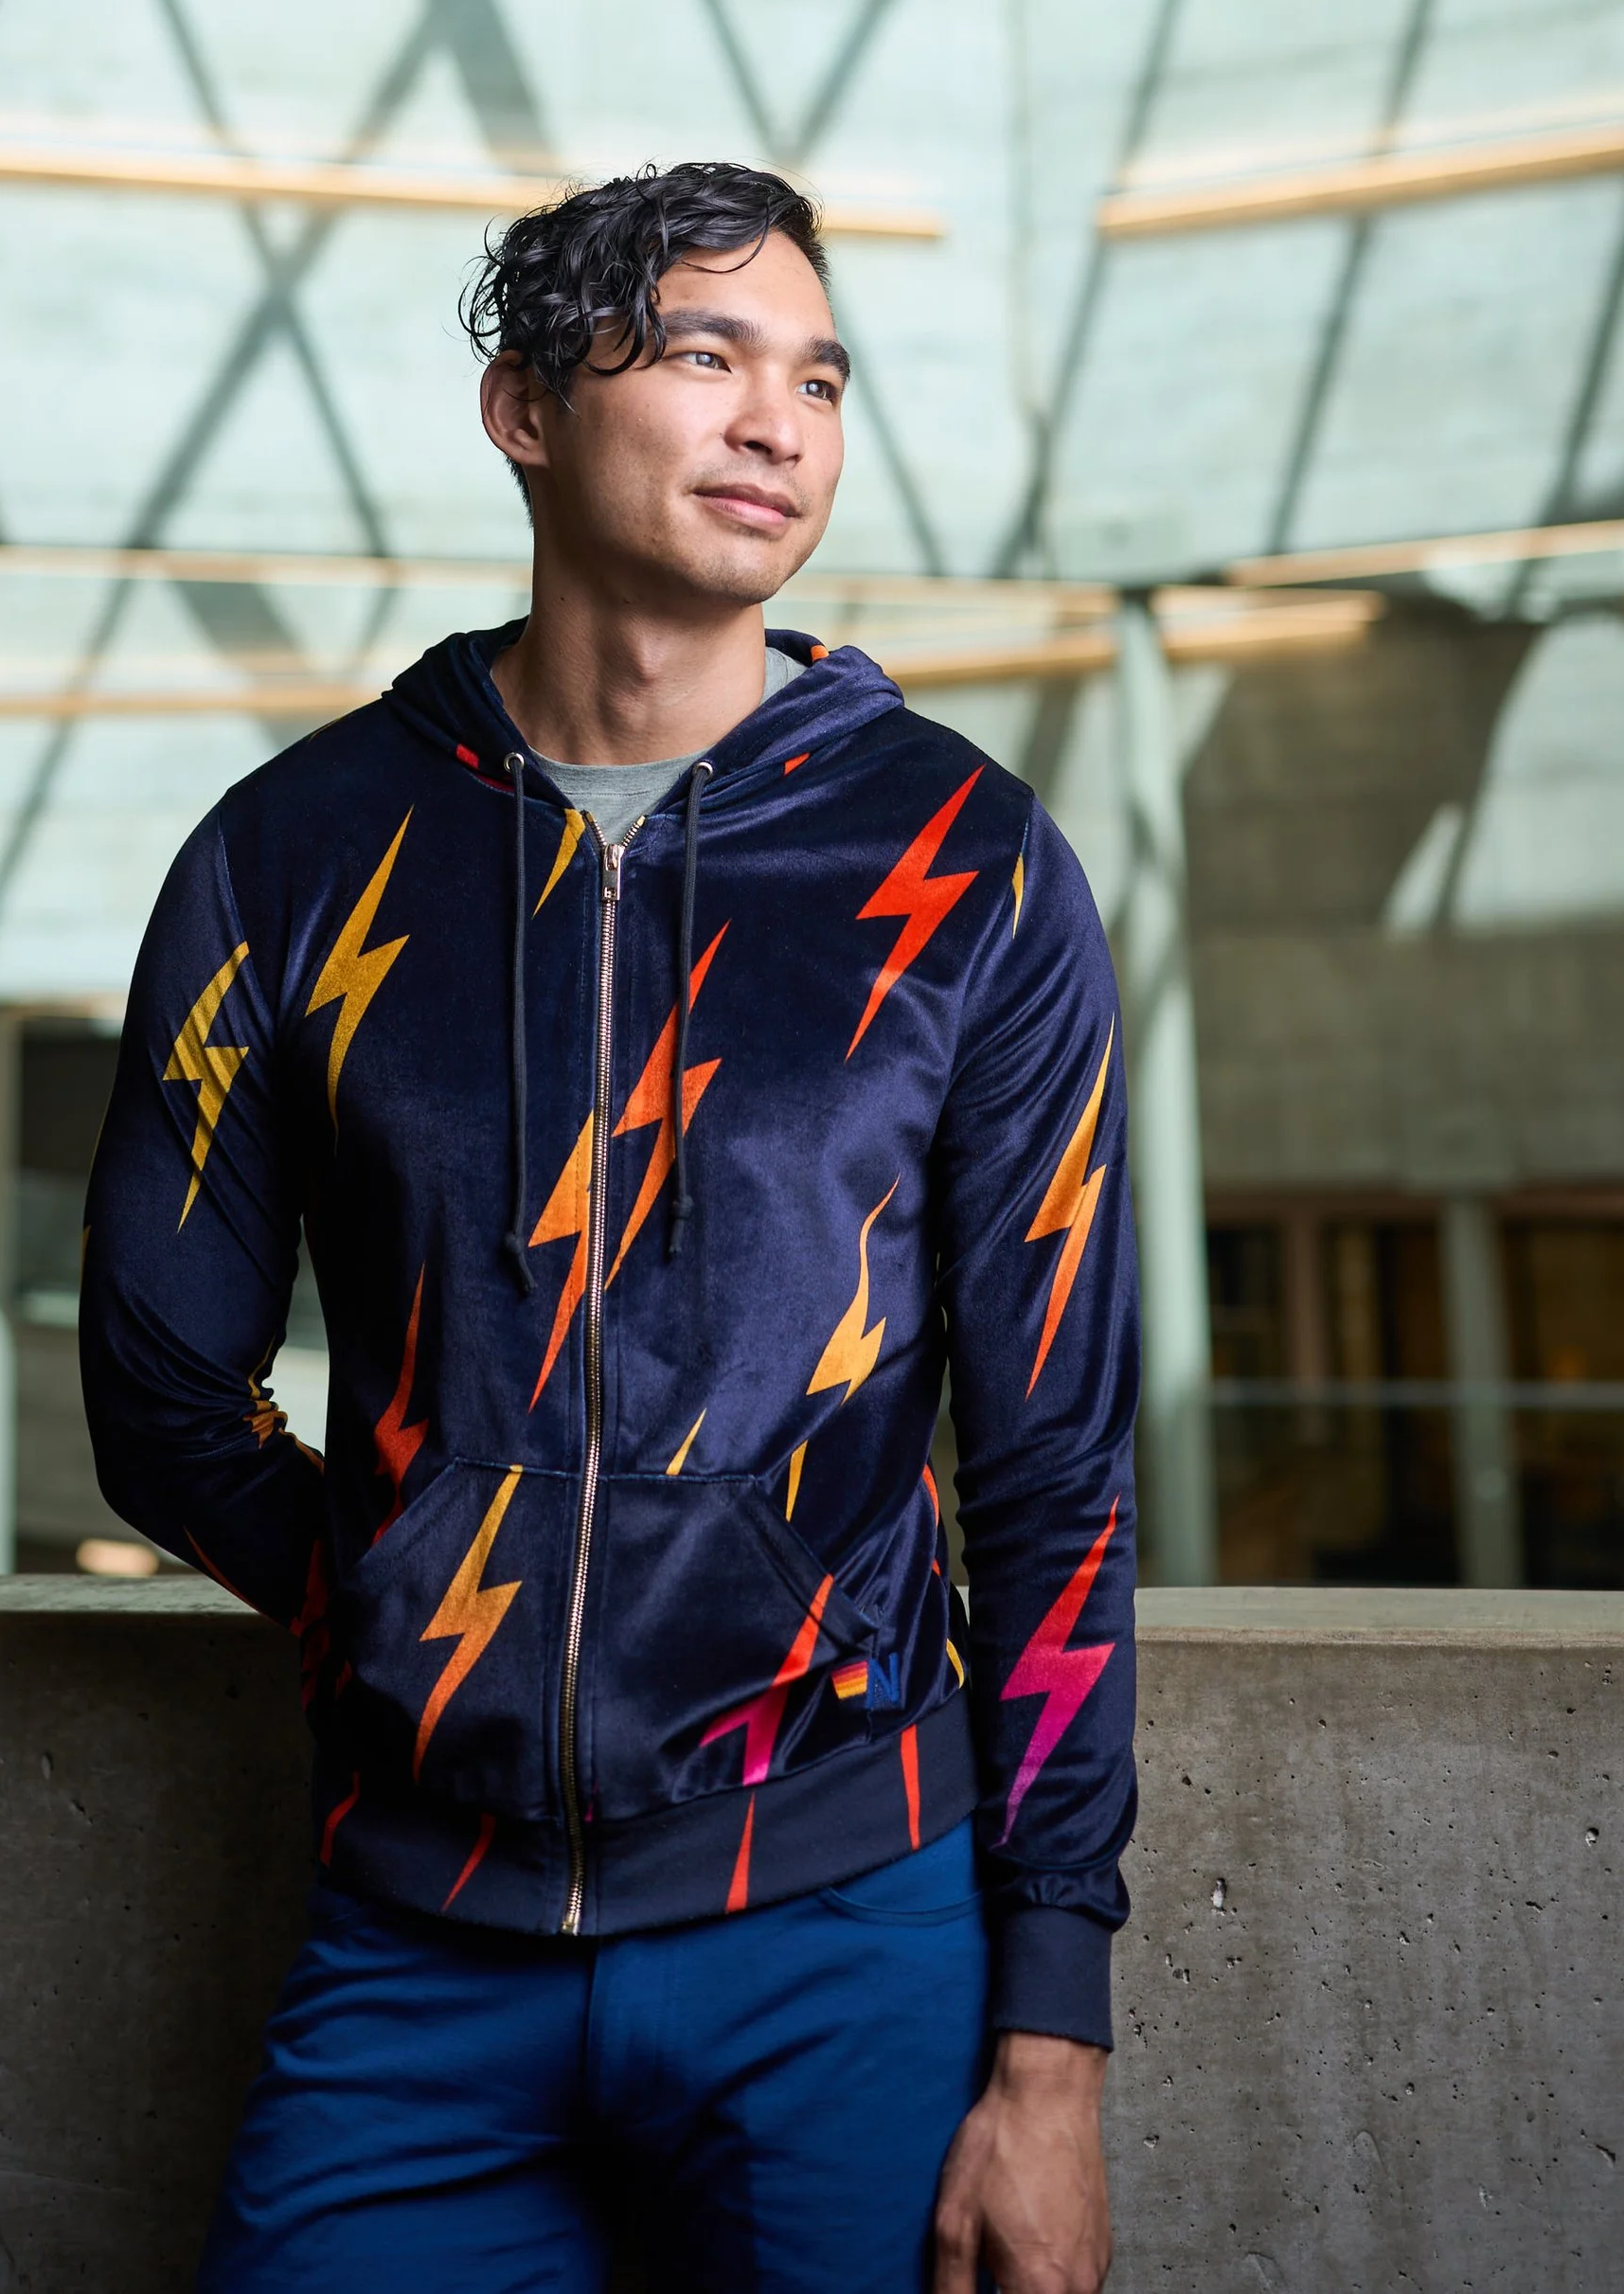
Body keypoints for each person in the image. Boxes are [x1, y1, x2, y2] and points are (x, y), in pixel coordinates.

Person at [81, 160, 1137, 2293]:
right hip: (415, 1944)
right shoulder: (290, 858)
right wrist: (408, 1598)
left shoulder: (967, 867)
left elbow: (1055, 1473)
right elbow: (160, 1394)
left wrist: (1051, 2047)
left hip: (842, 1931)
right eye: (703, 355)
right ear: (524, 410)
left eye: (818, 379)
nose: (776, 423)